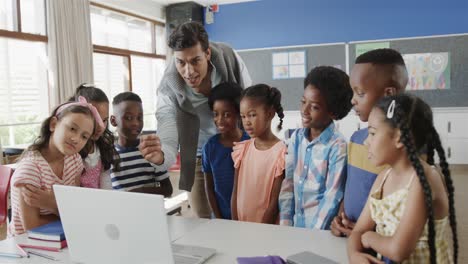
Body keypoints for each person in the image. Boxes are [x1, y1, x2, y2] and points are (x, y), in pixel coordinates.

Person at [139, 21, 251, 218]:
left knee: (243, 213)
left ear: (207, 54)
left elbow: (249, 105)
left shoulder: (229, 58)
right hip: (198, 155)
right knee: (203, 221)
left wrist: (254, 148)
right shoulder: (168, 87)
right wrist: (162, 157)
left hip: (237, 147)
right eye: (181, 62)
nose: (188, 72)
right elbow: (167, 127)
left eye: (195, 61)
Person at [347, 94, 458, 264]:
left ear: (399, 137)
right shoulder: (383, 177)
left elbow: (398, 250)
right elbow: (358, 231)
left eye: (372, 133)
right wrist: (354, 254)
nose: (366, 142)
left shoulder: (423, 180)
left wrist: (369, 237)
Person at [331, 48, 408, 237]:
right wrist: (339, 218)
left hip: (383, 244)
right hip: (349, 240)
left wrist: (366, 233)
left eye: (360, 93)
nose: (352, 100)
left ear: (388, 93)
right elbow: (350, 189)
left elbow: (408, 211)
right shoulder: (357, 140)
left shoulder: (405, 148)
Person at [9, 98, 97, 235]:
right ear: (53, 124)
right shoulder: (30, 169)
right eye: (72, 129)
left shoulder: (75, 160)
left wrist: (54, 205)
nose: (76, 139)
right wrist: (66, 210)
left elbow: (76, 210)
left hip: (63, 237)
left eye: (84, 137)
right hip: (28, 245)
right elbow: (32, 227)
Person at [279, 66, 353, 229]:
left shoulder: (337, 146)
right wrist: (285, 224)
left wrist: (313, 234)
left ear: (333, 112)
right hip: (293, 229)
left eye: (314, 107)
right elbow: (288, 183)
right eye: (303, 101)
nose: (304, 110)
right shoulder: (296, 139)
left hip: (319, 231)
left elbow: (332, 195)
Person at [231, 84, 286, 224]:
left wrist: (262, 230)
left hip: (266, 228)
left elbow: (275, 202)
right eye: (243, 116)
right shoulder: (242, 149)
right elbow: (235, 192)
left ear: (270, 114)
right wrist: (234, 222)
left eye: (252, 115)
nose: (246, 122)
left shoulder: (281, 153)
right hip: (241, 225)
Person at [110, 92, 172, 197]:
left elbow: (168, 189)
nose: (136, 123)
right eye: (129, 118)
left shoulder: (151, 152)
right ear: (113, 120)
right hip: (120, 212)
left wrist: (139, 192)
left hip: (148, 211)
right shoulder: (108, 154)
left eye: (139, 118)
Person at [202, 82, 249, 219]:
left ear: (239, 114)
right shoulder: (210, 147)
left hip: (247, 216)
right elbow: (209, 188)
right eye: (216, 114)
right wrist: (218, 217)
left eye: (227, 114)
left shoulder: (250, 143)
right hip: (220, 216)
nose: (220, 120)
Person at [69, 84, 119, 189]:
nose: (101, 126)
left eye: (104, 120)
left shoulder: (103, 147)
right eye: (95, 120)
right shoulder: (70, 151)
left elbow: (106, 185)